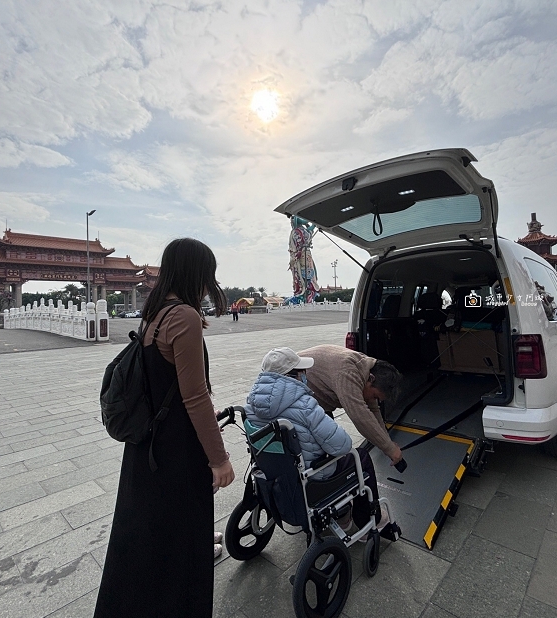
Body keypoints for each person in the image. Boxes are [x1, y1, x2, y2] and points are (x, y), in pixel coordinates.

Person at [93, 238, 234, 618]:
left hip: (146, 447)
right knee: (181, 542)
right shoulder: (185, 316)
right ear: (195, 273)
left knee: (143, 538)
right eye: (208, 275)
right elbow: (195, 397)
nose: (209, 284)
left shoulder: (153, 313)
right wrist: (219, 459)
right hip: (175, 453)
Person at [246, 347, 391, 532]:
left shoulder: (250, 404)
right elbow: (342, 445)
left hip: (276, 475)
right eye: (302, 371)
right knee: (360, 457)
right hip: (312, 477)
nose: (306, 375)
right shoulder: (305, 405)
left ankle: (343, 512)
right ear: (292, 375)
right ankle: (367, 520)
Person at [297, 344, 403, 466]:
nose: (373, 400)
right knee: (322, 451)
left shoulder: (367, 370)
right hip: (297, 394)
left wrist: (387, 441)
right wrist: (389, 449)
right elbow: (360, 416)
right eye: (375, 396)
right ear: (371, 379)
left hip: (316, 400)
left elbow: (373, 409)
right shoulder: (348, 373)